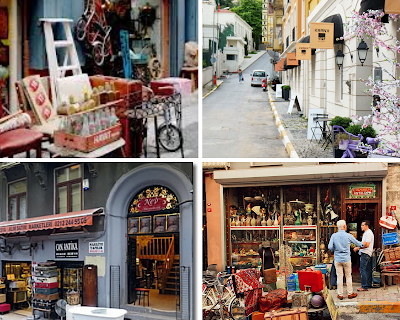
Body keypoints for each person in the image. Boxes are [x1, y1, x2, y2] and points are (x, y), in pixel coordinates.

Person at [328, 220, 367, 300]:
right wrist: (363, 244)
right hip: (346, 259)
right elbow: (358, 243)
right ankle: (350, 293)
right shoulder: (348, 235)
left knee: (339, 276)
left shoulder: (334, 236)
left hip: (337, 259)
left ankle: (340, 294)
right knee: (348, 276)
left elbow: (330, 247)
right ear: (345, 226)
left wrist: (335, 249)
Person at [354, 220, 374, 291]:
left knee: (363, 269)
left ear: (366, 226)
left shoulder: (368, 233)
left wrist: (358, 247)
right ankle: (367, 284)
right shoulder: (367, 233)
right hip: (366, 253)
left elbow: (366, 244)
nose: (361, 226)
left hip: (365, 253)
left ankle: (364, 286)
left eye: (363, 225)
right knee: (367, 269)